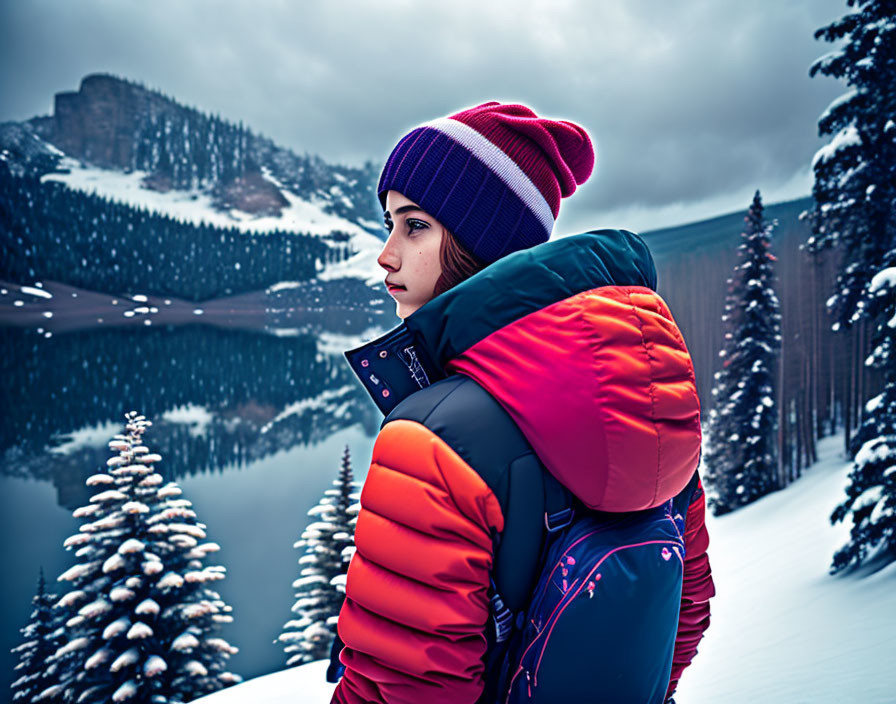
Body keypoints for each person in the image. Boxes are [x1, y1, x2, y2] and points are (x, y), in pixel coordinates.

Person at [329, 101, 714, 704]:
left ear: (483, 239)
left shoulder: (431, 438)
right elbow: (683, 617)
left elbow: (398, 688)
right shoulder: (653, 400)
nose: (387, 254)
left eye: (415, 225)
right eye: (388, 224)